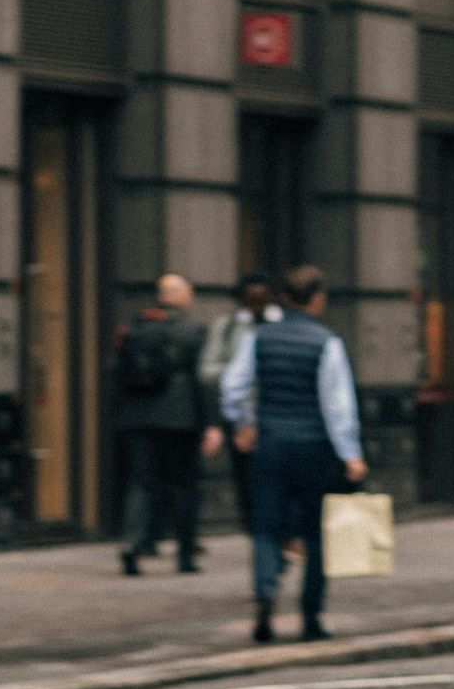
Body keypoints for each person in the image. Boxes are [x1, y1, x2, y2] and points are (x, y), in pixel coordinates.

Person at [220, 264, 368, 645]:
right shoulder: (326, 342)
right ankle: (311, 615)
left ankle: (266, 598)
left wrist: (243, 423)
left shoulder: (260, 338)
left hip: (270, 444)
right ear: (317, 298)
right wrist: (350, 453)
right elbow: (337, 406)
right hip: (314, 447)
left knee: (266, 528)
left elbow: (233, 386)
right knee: (317, 534)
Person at [115, 275, 220, 575]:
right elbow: (203, 380)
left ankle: (131, 545)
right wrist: (211, 423)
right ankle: (185, 554)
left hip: (138, 417)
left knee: (141, 481)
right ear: (182, 296)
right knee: (184, 484)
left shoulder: (136, 327)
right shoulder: (193, 331)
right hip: (180, 419)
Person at [199, 272, 280, 535]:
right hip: (244, 420)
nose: (257, 303)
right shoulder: (229, 327)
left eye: (262, 298)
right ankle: (258, 532)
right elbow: (209, 369)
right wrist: (239, 371)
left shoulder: (282, 324)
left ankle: (274, 532)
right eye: (251, 299)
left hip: (280, 416)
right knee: (248, 481)